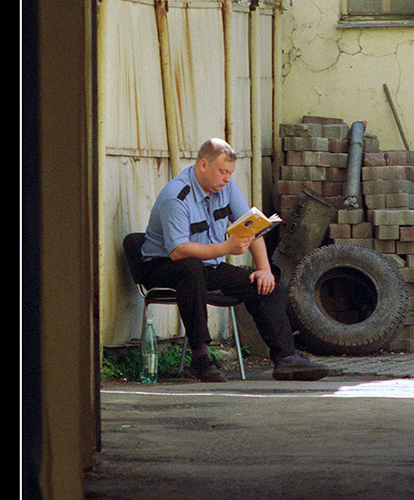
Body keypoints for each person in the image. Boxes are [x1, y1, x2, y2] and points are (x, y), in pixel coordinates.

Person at [140, 138, 328, 383]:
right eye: (222, 171)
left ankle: (286, 359)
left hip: (207, 265)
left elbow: (252, 227)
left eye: (230, 172)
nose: (227, 178)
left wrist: (264, 270)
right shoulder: (176, 196)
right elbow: (178, 251)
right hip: (161, 266)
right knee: (190, 268)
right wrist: (227, 247)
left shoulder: (225, 187)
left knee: (267, 285)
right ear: (203, 165)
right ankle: (201, 357)